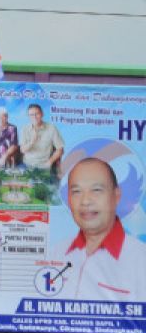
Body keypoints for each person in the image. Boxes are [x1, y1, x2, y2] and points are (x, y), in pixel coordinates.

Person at [51, 157, 146, 301]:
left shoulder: (140, 259)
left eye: (96, 190)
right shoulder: (55, 254)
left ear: (116, 195)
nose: (85, 201)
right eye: (76, 192)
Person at [20, 103, 64, 173]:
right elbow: (22, 150)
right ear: (28, 116)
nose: (34, 117)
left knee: (43, 183)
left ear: (42, 114)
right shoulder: (24, 129)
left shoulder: (51, 128)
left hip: (43, 165)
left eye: (37, 114)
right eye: (31, 115)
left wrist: (49, 162)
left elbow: (60, 149)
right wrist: (32, 141)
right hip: (27, 164)